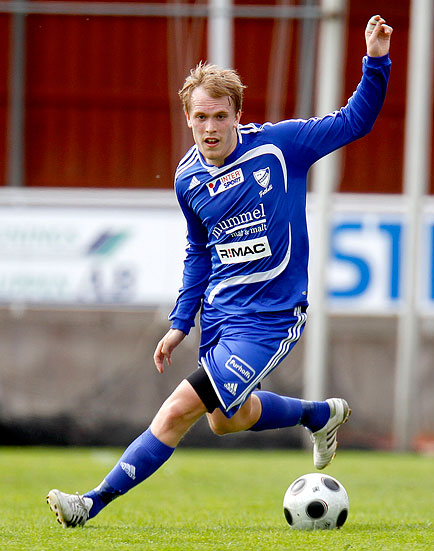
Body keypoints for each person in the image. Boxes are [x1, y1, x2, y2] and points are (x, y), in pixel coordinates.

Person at [47, 14, 393, 528]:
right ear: (188, 118)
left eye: (219, 117)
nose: (209, 128)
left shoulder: (281, 148)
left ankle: (91, 503)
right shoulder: (187, 178)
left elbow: (354, 122)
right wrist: (180, 323)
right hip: (221, 317)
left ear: (237, 114)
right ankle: (319, 415)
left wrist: (376, 60)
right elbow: (199, 253)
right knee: (230, 420)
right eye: (200, 118)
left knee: (177, 410)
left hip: (273, 315)